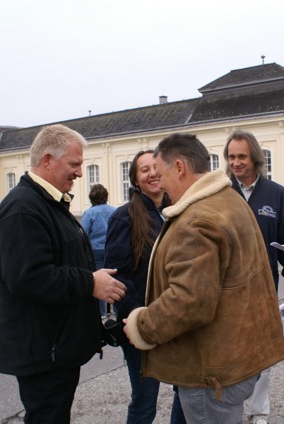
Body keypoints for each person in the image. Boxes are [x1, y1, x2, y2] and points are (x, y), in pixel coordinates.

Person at [124, 133, 284, 423]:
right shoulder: (229, 200)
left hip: (211, 370)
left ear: (179, 168)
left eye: (161, 173)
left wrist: (142, 326)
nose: (160, 183)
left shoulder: (196, 219)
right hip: (235, 359)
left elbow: (190, 300)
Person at [0, 124, 127, 423]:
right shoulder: (24, 209)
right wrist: (90, 282)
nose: (80, 173)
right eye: (74, 164)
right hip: (42, 352)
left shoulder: (45, 202)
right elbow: (29, 277)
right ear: (47, 160)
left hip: (52, 348)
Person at [223, 129, 284, 424]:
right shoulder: (220, 192)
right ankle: (230, 411)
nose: (236, 162)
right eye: (231, 157)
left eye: (242, 156)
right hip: (226, 293)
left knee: (263, 355)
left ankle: (258, 411)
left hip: (264, 290)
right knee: (228, 354)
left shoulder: (275, 194)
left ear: (255, 158)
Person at [105, 150, 185, 424]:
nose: (152, 174)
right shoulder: (124, 217)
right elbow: (118, 275)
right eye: (144, 169)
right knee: (144, 402)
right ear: (135, 179)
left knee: (185, 393)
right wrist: (137, 318)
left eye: (155, 167)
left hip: (176, 320)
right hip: (142, 324)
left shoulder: (177, 211)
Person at [81, 184, 116, 318]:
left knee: (99, 281)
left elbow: (83, 234)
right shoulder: (114, 211)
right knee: (115, 280)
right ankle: (116, 311)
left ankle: (101, 313)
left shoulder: (89, 213)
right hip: (112, 250)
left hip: (95, 252)